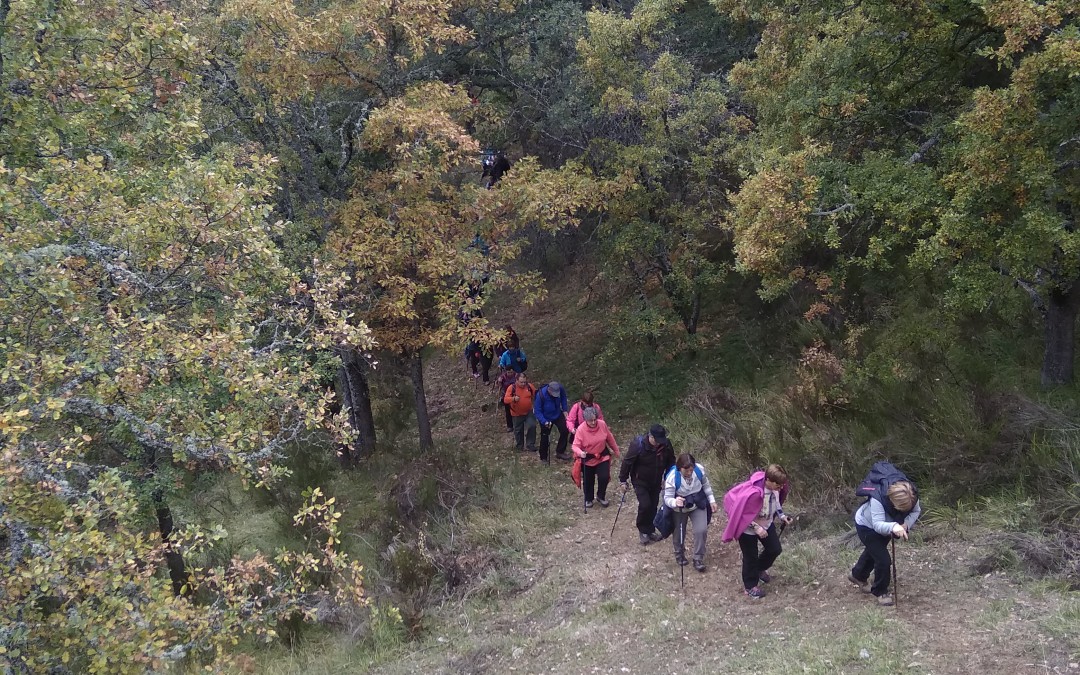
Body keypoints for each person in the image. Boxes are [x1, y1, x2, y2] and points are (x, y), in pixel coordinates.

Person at [721, 464, 791, 599]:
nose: (781, 488)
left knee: (775, 549)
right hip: (747, 530)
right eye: (778, 485)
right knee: (750, 557)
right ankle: (750, 586)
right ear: (769, 481)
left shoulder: (775, 490)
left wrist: (782, 516)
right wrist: (757, 528)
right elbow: (742, 515)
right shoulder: (753, 494)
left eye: (782, 485)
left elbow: (776, 504)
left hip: (766, 523)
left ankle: (758, 569)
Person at [849, 480, 921, 606]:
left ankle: (858, 575)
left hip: (889, 527)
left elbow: (916, 511)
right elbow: (877, 525)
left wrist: (906, 524)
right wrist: (894, 526)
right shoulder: (878, 499)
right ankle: (880, 591)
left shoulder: (912, 496)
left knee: (875, 551)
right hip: (867, 526)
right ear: (893, 501)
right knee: (883, 560)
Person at [618, 424, 676, 546]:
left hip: (656, 480)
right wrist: (623, 480)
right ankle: (643, 530)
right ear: (650, 436)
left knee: (653, 505)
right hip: (640, 481)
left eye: (661, 440)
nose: (659, 443)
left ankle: (650, 530)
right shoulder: (638, 445)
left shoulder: (666, 445)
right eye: (657, 440)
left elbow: (671, 462)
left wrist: (667, 478)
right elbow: (627, 462)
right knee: (645, 505)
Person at [662, 453, 718, 572]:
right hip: (680, 508)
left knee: (701, 530)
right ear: (679, 468)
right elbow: (667, 498)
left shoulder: (699, 470)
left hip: (697, 503)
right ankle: (679, 554)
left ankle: (698, 558)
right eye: (686, 471)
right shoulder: (672, 477)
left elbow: (706, 485)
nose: (689, 473)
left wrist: (712, 500)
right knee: (679, 533)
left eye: (691, 470)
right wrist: (675, 501)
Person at [571, 407, 620, 509]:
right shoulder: (581, 429)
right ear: (586, 420)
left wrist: (616, 450)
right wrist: (580, 453)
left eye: (595, 419)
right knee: (588, 480)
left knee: (604, 477)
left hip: (602, 455)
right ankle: (588, 499)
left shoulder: (602, 424)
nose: (593, 422)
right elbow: (575, 446)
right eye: (590, 420)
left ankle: (601, 496)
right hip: (588, 458)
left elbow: (609, 438)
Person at [533, 381, 570, 463]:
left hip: (557, 414)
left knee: (565, 430)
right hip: (545, 417)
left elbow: (563, 397)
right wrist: (544, 421)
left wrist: (564, 409)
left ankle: (560, 451)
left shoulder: (560, 388)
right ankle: (543, 457)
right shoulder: (540, 395)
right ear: (549, 390)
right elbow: (537, 411)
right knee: (545, 437)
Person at [502, 372, 537, 452]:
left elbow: (537, 394)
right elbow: (505, 399)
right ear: (516, 380)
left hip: (529, 412)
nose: (523, 384)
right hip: (516, 413)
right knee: (518, 430)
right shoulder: (512, 388)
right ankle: (519, 446)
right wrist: (513, 399)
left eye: (524, 382)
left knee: (532, 426)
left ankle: (530, 444)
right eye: (521, 382)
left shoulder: (529, 386)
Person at [495, 367, 517, 432]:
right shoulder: (503, 377)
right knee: (508, 411)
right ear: (506, 372)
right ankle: (510, 426)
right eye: (508, 372)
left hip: (515, 396)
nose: (510, 374)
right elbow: (498, 385)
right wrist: (499, 382)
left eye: (511, 372)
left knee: (516, 410)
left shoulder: (517, 376)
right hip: (506, 396)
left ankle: (517, 423)